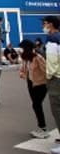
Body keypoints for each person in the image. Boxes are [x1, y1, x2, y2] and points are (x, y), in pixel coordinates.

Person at [19, 39, 49, 139]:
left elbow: (46, 70)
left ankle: (43, 129)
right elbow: (24, 68)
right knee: (36, 105)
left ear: (27, 48)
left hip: (41, 84)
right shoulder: (25, 58)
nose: (21, 50)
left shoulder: (38, 57)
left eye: (22, 48)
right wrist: (22, 73)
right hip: (31, 83)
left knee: (36, 105)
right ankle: (42, 128)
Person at [43, 16, 60, 154]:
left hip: (56, 79)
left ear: (51, 25)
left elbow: (52, 62)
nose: (44, 26)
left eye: (45, 23)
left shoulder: (52, 39)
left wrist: (48, 76)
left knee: (57, 110)